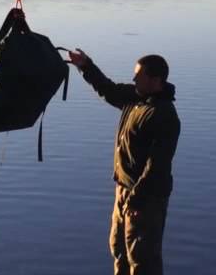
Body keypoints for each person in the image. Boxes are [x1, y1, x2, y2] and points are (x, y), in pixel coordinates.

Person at [67, 48, 181, 275]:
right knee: (119, 249)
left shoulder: (163, 115)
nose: (134, 79)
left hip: (145, 199)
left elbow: (156, 166)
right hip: (123, 191)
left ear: (155, 80)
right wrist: (85, 65)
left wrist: (137, 201)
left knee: (142, 259)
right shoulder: (135, 97)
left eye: (139, 76)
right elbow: (108, 89)